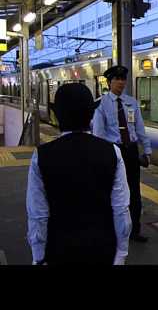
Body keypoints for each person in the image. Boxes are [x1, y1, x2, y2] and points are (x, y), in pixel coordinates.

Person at [26, 83, 132, 265]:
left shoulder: (41, 155)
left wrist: (38, 255)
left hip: (59, 248)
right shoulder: (112, 152)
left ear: (56, 115)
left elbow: (38, 214)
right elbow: (121, 208)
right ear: (91, 114)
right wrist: (121, 252)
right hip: (102, 248)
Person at [92, 65, 152, 243]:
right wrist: (101, 156)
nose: (121, 82)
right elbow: (99, 133)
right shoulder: (100, 104)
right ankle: (112, 229)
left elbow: (139, 127)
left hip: (131, 151)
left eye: (123, 79)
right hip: (112, 151)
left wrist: (147, 150)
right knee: (113, 192)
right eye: (117, 79)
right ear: (109, 82)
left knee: (134, 192)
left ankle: (135, 230)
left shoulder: (131, 102)